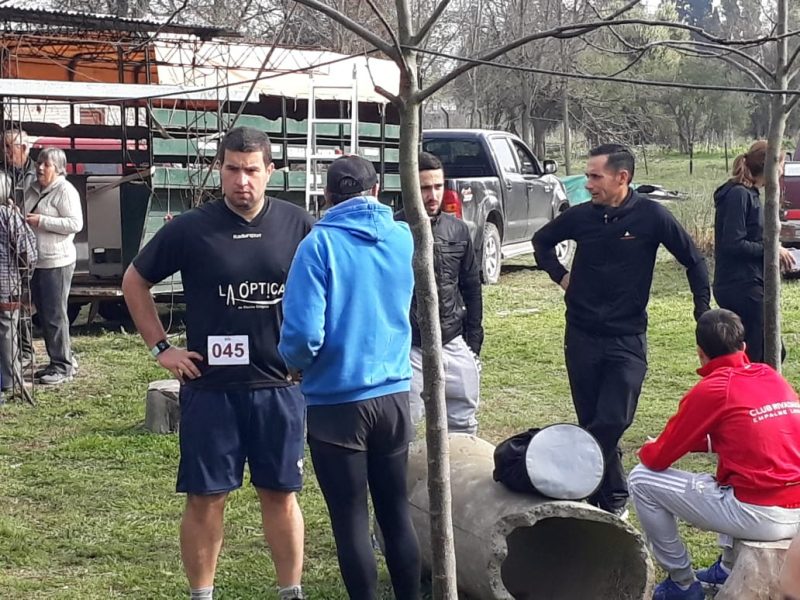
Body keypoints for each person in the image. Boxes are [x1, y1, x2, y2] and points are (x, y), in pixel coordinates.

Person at [121, 127, 312, 600]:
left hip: (278, 386)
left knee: (281, 495)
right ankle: (201, 594)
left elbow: (329, 287)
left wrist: (315, 351)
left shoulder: (298, 225)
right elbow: (134, 281)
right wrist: (161, 349)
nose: (242, 180)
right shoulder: (192, 228)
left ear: (270, 171)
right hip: (212, 390)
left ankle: (291, 591)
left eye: (252, 170)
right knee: (206, 499)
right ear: (220, 170)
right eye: (232, 169)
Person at [532, 143, 710, 516]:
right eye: (588, 175)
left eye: (595, 176)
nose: (588, 183)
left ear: (621, 177)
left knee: (613, 418)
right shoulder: (581, 217)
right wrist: (562, 277)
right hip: (581, 333)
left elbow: (694, 260)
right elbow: (542, 242)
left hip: (626, 336)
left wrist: (701, 309)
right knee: (591, 419)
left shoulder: (652, 217)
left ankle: (570, 474)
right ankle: (611, 498)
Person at [279, 155, 421, 600]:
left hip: (338, 401)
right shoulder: (403, 236)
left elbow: (304, 334)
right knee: (396, 513)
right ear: (376, 191)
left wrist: (293, 361)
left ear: (326, 196)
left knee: (351, 520)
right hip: (394, 393)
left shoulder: (318, 245)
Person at [628, 309, 800, 600]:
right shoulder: (769, 376)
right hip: (795, 508)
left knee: (640, 479)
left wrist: (648, 447)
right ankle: (727, 568)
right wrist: (698, 444)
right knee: (734, 471)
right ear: (743, 346)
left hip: (763, 516)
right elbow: (749, 435)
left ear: (700, 352)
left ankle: (683, 584)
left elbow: (657, 458)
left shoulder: (714, 388)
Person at [395, 151, 483, 434]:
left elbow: (471, 286)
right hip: (409, 345)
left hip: (453, 339)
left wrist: (473, 342)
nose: (432, 195)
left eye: (437, 186)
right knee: (404, 428)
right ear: (409, 187)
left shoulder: (458, 230)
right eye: (424, 187)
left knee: (464, 424)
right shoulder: (393, 232)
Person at [713, 140, 795, 363]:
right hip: (740, 285)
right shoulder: (738, 195)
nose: (782, 173)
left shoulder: (751, 194)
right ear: (769, 167)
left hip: (749, 282)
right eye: (780, 167)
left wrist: (774, 247)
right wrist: (771, 250)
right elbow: (733, 243)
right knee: (762, 353)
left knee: (772, 350)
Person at [24, 147, 83, 385]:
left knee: (54, 315)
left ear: (58, 169)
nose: (40, 168)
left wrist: (42, 221)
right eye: (38, 163)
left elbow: (75, 224)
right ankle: (57, 360)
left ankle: (62, 366)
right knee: (44, 314)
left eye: (46, 164)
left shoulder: (65, 190)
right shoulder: (32, 188)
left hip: (57, 261)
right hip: (35, 261)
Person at [0, 171, 37, 401]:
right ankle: (9, 381)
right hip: (6, 283)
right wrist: (25, 275)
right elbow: (28, 251)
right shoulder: (8, 215)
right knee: (7, 332)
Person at [4, 128, 37, 369]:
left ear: (24, 148)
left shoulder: (36, 173)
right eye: (3, 147)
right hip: (10, 244)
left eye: (9, 147)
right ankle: (19, 353)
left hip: (28, 243)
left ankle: (26, 351)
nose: (5, 152)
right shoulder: (4, 172)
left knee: (23, 302)